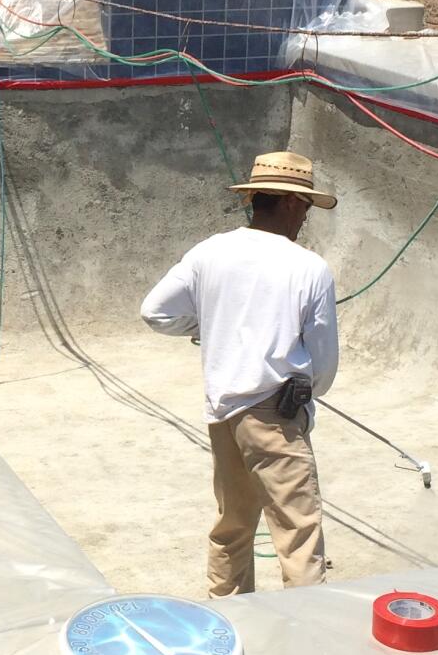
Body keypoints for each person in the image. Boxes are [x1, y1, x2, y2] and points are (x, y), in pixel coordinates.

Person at [141, 151, 338, 595]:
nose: (306, 216)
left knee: (232, 525)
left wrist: (208, 328)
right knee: (298, 535)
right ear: (290, 202)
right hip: (275, 415)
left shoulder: (210, 251)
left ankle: (228, 615)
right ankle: (310, 624)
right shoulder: (309, 267)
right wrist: (307, 398)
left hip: (222, 412)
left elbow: (155, 312)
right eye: (306, 206)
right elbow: (324, 365)